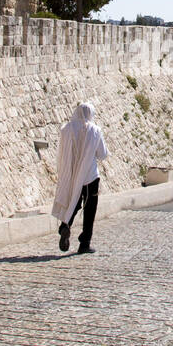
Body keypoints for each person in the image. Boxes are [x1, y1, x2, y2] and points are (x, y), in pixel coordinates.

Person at [52, 103, 108, 254]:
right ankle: (85, 243)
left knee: (74, 203)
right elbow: (102, 154)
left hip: (71, 174)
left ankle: (65, 225)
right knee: (89, 209)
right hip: (90, 176)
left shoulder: (66, 129)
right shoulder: (95, 130)